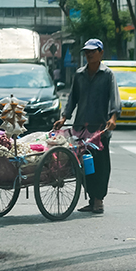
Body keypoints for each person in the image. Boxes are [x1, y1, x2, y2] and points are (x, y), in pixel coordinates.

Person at [53, 39, 121, 215]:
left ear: (101, 53)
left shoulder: (107, 75)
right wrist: (64, 117)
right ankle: (92, 199)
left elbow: (115, 98)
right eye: (86, 52)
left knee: (101, 165)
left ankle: (99, 200)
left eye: (92, 51)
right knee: (82, 165)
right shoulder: (79, 75)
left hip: (99, 129)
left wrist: (113, 117)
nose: (89, 54)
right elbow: (72, 99)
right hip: (81, 127)